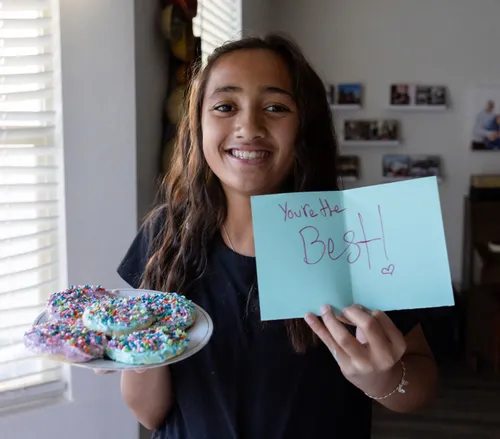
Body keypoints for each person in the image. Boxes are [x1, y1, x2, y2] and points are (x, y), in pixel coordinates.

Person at [115, 33, 438, 439]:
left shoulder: (361, 236)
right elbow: (149, 413)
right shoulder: (164, 235)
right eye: (224, 106)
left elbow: (421, 388)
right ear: (197, 124)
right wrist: (145, 353)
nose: (248, 126)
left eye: (275, 107)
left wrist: (383, 378)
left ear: (306, 124)